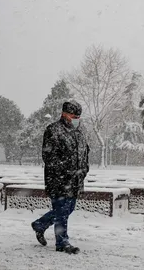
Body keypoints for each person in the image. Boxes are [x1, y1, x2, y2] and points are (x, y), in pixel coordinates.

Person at [31, 100, 89, 254]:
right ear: (64, 113)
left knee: (68, 209)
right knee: (62, 211)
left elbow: (85, 153)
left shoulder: (80, 132)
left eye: (78, 115)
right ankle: (62, 242)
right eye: (73, 115)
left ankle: (40, 224)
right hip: (58, 180)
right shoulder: (53, 130)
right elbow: (49, 156)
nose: (76, 118)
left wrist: (84, 169)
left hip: (75, 180)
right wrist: (67, 170)